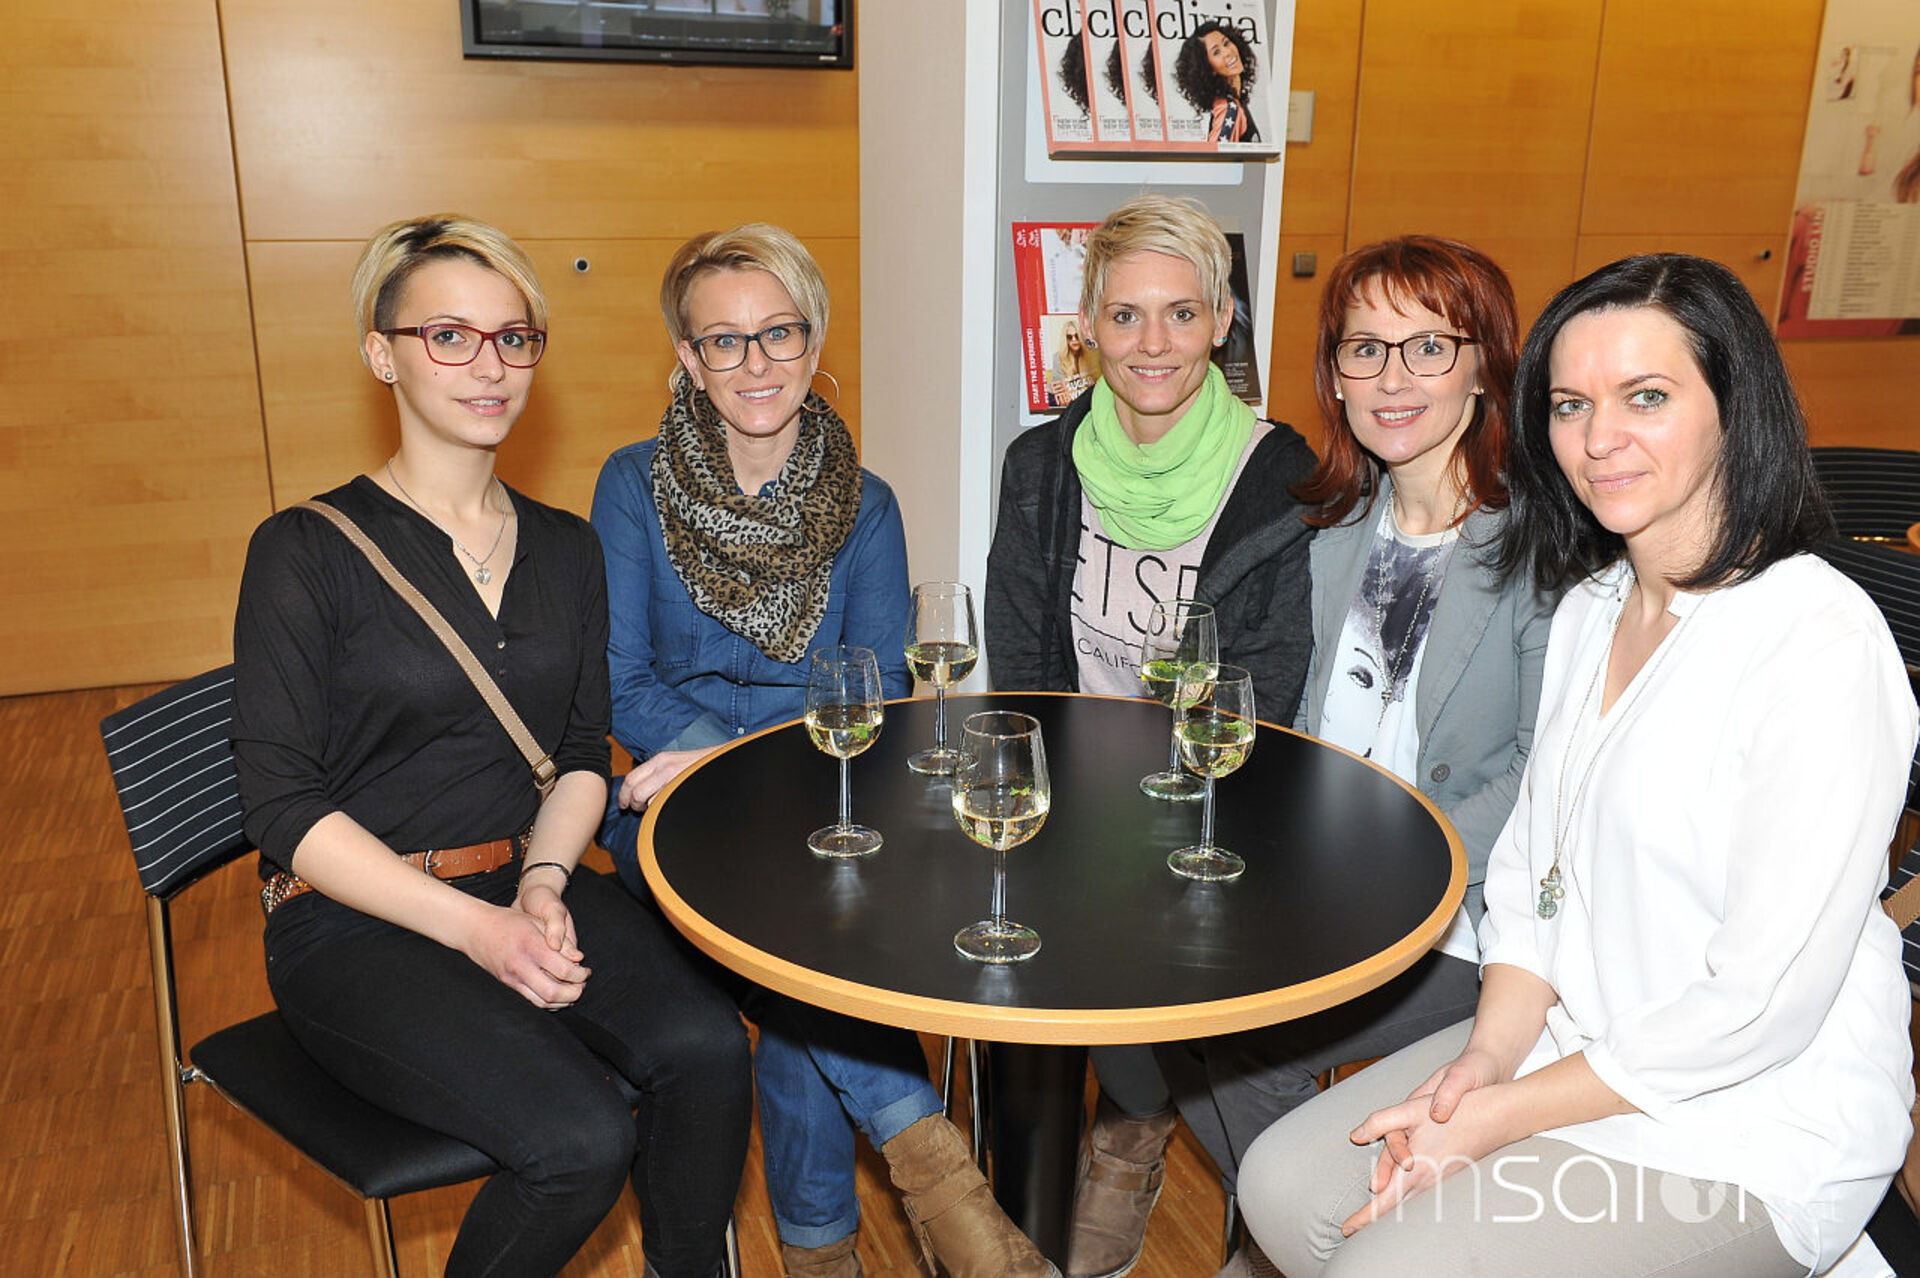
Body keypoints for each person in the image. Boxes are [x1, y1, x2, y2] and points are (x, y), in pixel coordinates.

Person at [1238, 254, 1919, 1277]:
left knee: (1384, 1266)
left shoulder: (1816, 642)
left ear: (1735, 408)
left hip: (1749, 1123)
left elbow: (1759, 1005)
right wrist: (1486, 1058)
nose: (1599, 439)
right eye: (1570, 405)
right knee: (1281, 1187)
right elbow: (1531, 881)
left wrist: (1501, 1116)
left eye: (1646, 396)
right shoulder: (1595, 607)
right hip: (1570, 1041)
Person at [229, 214, 754, 1278]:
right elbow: (281, 805)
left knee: (708, 1052)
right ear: (382, 353)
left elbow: (577, 753)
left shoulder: (566, 547)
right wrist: (477, 930)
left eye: (513, 338)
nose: (490, 366)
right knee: (578, 1143)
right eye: (449, 336)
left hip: (526, 880)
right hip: (356, 917)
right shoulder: (303, 551)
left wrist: (545, 882)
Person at [593, 223, 1054, 1278]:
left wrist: (764, 766)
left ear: (813, 341)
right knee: (814, 956)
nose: (755, 362)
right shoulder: (631, 486)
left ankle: (824, 1256)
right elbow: (621, 682)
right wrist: (722, 764)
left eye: (779, 333)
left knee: (803, 955)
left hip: (824, 795)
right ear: (688, 359)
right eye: (724, 341)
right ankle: (941, 1191)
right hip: (674, 806)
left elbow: (881, 690)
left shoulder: (868, 504)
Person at [1135, 236, 1555, 1278]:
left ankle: (1293, 1249)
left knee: (1247, 1055)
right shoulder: (1321, 534)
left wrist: (1397, 870)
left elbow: (1543, 772)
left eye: (1428, 347)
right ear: (1334, 376)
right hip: (1310, 885)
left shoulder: (1542, 551)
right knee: (1153, 991)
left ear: (1485, 367)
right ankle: (1290, 1247)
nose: (1392, 378)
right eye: (1365, 350)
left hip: (1463, 922)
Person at [983, 192, 1317, 1278]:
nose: (1153, 343)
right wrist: (1062, 808)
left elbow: (1265, 691)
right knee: (1033, 921)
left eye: (1182, 313)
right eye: (1125, 316)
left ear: (1222, 322)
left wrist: (1152, 817)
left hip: (1215, 803)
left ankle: (1141, 1129)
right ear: (1086, 328)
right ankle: (1128, 1122)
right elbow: (1022, 663)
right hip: (1078, 792)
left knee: (1151, 935)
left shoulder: (1281, 476)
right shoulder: (1041, 466)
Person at [1174, 20, 1260, 144]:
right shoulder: (1229, 109)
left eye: (1226, 43)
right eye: (1216, 52)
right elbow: (1217, 155)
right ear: (1208, 68)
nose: (1227, 52)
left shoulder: (1235, 103)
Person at [1049, 316, 1100, 406]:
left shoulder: (1092, 354)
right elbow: (1057, 388)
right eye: (1069, 337)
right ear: (1065, 339)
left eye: (1077, 336)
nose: (1074, 340)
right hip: (1068, 402)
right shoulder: (1058, 358)